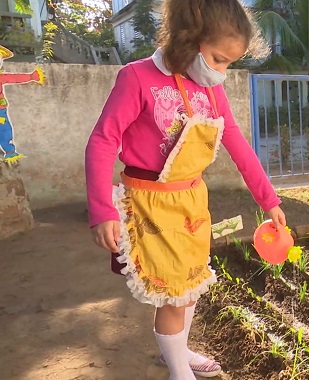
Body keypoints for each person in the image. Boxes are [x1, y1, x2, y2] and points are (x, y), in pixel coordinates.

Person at [85, 1, 285, 379]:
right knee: (173, 293)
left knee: (190, 286)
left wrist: (268, 199)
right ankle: (180, 372)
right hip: (150, 205)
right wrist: (102, 210)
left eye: (230, 62)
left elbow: (238, 144)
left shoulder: (211, 91)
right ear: (188, 39)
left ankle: (178, 352)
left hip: (192, 202)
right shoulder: (137, 78)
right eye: (218, 58)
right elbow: (102, 140)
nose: (222, 70)